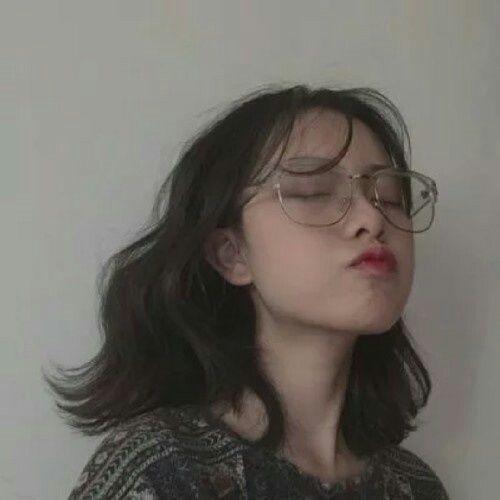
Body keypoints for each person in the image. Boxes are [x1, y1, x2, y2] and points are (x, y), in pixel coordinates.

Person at [44, 84, 450, 498]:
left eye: (389, 197)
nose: (372, 218)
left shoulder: (416, 486)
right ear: (232, 254)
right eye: (313, 191)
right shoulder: (162, 469)